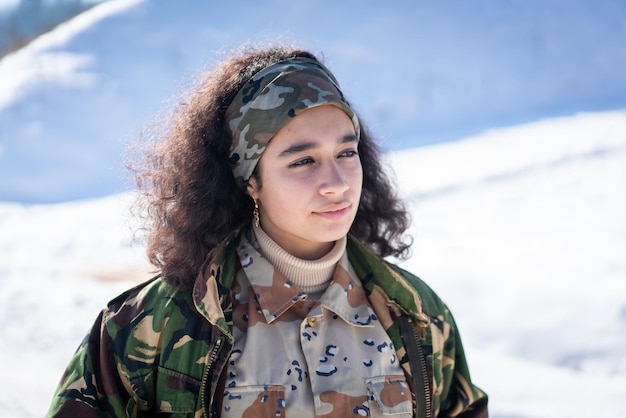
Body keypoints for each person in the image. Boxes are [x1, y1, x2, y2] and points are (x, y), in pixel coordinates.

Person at [46, 45, 488, 418]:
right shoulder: (151, 327)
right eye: (302, 161)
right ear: (250, 180)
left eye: (346, 152)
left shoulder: (416, 315)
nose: (336, 182)